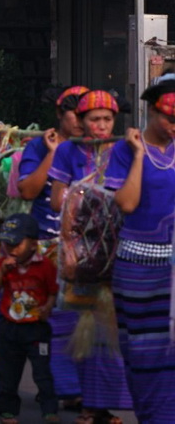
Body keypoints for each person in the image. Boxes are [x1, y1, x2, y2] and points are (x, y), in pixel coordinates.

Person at [46, 90, 133, 423]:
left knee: (109, 331)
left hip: (117, 251)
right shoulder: (68, 151)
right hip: (79, 254)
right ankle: (83, 402)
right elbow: (57, 202)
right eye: (94, 119)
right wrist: (70, 249)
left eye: (107, 119)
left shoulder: (125, 149)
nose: (100, 125)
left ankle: (102, 405)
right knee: (79, 327)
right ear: (80, 122)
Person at [105, 78, 175, 423]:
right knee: (146, 352)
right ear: (151, 110)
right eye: (170, 118)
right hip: (139, 266)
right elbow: (127, 203)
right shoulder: (123, 150)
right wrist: (137, 156)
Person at [14, 86, 88, 413]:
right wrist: (53, 154)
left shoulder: (98, 149)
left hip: (87, 249)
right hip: (46, 246)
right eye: (77, 115)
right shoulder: (38, 146)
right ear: (60, 116)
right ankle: (59, 387)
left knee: (82, 320)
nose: (84, 122)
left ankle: (80, 388)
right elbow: (28, 190)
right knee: (50, 321)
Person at [0, 214, 60, 424]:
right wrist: (1, 271)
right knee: (6, 372)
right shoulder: (4, 263)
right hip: (10, 326)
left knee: (42, 373)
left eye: (16, 244)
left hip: (36, 327)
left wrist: (47, 306)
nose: (11, 249)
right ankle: (8, 411)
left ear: (33, 244)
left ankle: (49, 410)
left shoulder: (45, 266)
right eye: (6, 244)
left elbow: (53, 291)